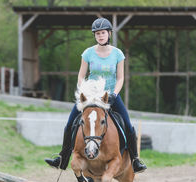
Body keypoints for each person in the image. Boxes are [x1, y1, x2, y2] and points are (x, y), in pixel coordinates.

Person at [45, 17, 147, 173]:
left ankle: (135, 160)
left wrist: (114, 94)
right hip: (91, 96)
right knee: (70, 124)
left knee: (128, 124)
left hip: (110, 95)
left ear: (109, 34)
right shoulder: (88, 53)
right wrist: (84, 90)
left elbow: (121, 78)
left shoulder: (118, 54)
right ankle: (63, 158)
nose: (100, 36)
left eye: (103, 33)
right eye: (97, 33)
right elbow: (80, 76)